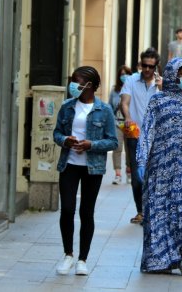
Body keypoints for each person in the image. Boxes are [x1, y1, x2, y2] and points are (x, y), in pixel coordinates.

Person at [136, 58, 182, 274]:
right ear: (171, 76)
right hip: (160, 164)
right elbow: (147, 130)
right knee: (161, 211)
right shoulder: (157, 101)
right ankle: (170, 258)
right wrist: (141, 159)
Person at [53, 66, 118, 276]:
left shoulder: (104, 110)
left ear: (89, 85)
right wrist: (66, 140)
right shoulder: (67, 107)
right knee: (68, 210)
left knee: (86, 212)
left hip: (93, 168)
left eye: (76, 81)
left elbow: (113, 141)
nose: (72, 85)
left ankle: (83, 259)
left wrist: (91, 145)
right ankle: (68, 255)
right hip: (69, 165)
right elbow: (56, 133)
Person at [121, 48, 163, 224]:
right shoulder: (131, 80)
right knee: (138, 178)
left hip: (156, 137)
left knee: (155, 176)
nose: (147, 69)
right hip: (135, 135)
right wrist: (128, 117)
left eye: (150, 66)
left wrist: (162, 88)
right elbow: (124, 102)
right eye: (144, 65)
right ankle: (141, 211)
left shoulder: (162, 85)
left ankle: (152, 211)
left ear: (156, 67)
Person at [109, 65, 132, 185]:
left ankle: (129, 171)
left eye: (126, 74)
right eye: (122, 74)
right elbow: (109, 107)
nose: (124, 76)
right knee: (116, 148)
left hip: (130, 124)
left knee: (129, 149)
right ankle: (117, 174)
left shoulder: (133, 88)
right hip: (117, 123)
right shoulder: (114, 90)